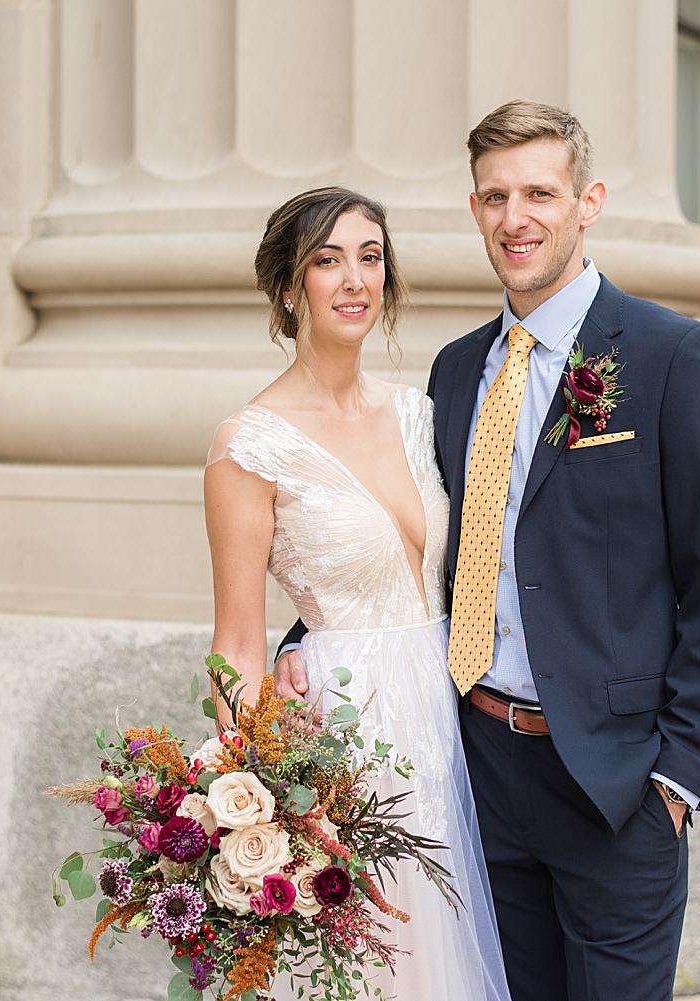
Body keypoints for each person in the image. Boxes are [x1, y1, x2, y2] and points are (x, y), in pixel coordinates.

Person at [273, 101, 700, 1001]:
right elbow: (411, 544)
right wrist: (308, 641)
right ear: (475, 211)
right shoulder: (457, 371)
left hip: (616, 783)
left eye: (540, 191)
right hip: (476, 768)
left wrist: (679, 776)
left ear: (587, 202)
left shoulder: (667, 355)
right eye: (496, 197)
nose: (516, 217)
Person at [203, 186, 511, 1001]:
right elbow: (234, 644)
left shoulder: (419, 413)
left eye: (369, 258)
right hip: (347, 739)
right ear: (287, 288)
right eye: (327, 260)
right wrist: (267, 809)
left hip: (449, 726)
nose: (353, 280)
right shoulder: (249, 445)